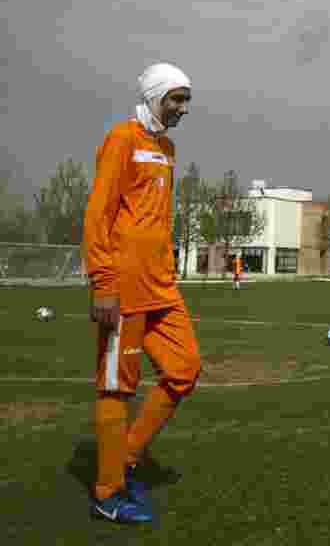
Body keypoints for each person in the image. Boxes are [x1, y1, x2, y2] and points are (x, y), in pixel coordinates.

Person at [83, 63, 202, 524]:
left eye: (186, 100)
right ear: (154, 96)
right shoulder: (122, 139)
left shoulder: (167, 149)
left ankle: (126, 458)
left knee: (184, 370)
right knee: (117, 386)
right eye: (176, 98)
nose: (182, 108)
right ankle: (107, 492)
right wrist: (104, 284)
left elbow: (157, 221)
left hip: (162, 287)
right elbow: (98, 215)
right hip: (124, 289)